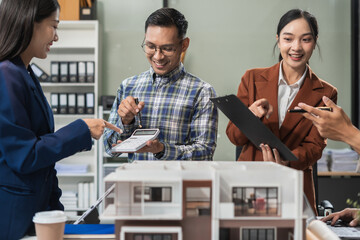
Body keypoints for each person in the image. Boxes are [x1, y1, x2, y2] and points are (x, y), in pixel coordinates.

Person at [0, 0, 120, 239]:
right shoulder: (6, 74)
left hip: (39, 213)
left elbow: (41, 148)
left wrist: (56, 212)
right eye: (53, 26)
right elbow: (25, 155)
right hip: (15, 218)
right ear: (29, 24)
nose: (56, 37)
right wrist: (82, 129)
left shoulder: (25, 72)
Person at [226, 9, 337, 215]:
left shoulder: (326, 93)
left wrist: (288, 161)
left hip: (294, 185)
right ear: (278, 40)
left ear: (315, 42)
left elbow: (315, 147)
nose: (296, 47)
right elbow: (234, 136)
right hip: (250, 183)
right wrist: (249, 114)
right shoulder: (251, 79)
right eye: (288, 39)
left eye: (305, 39)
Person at [103, 8, 218, 161]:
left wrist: (162, 150)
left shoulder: (202, 92)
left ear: (184, 45)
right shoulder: (128, 86)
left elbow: (205, 152)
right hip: (137, 182)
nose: (158, 56)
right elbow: (110, 148)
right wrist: (126, 121)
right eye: (151, 46)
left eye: (167, 48)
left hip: (179, 182)